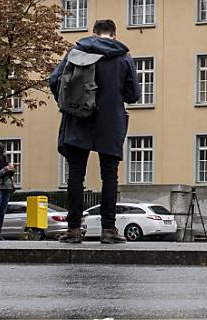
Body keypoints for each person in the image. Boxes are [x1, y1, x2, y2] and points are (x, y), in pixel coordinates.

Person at [49, 19, 140, 245]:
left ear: (94, 33)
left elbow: (54, 80)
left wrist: (70, 103)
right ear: (114, 34)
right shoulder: (123, 57)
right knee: (109, 175)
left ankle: (73, 230)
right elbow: (133, 95)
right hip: (109, 122)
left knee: (76, 175)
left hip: (78, 119)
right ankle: (108, 229)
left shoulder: (76, 52)